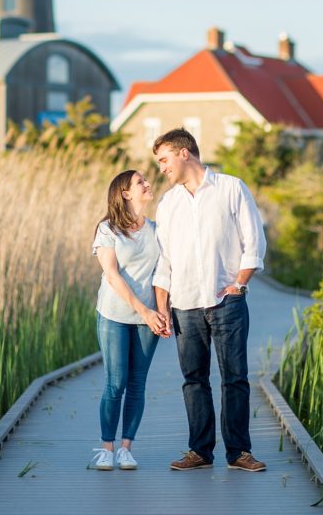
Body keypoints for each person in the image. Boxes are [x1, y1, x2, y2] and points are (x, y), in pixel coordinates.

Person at [152, 127, 268, 473]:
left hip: (227, 302)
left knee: (234, 378)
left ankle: (239, 453)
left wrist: (240, 284)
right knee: (194, 380)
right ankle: (199, 452)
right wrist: (162, 306)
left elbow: (254, 240)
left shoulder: (231, 188)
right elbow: (164, 259)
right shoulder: (168, 202)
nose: (162, 168)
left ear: (184, 153)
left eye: (164, 159)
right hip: (184, 305)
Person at [90, 169, 169, 471]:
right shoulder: (107, 229)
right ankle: (106, 448)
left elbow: (164, 273)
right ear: (125, 193)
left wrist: (162, 310)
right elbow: (112, 275)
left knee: (137, 384)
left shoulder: (157, 229)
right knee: (116, 383)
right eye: (140, 182)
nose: (148, 184)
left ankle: (126, 448)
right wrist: (144, 310)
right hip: (114, 315)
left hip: (148, 318)